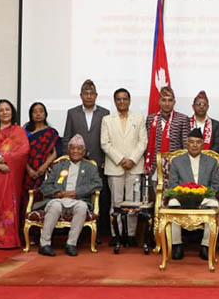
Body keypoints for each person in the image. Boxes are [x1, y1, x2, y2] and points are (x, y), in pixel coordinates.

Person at [36, 135, 102, 257]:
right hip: (58, 199)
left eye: (79, 149)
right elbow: (45, 186)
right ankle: (44, 244)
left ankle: (71, 244)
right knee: (55, 206)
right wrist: (58, 193)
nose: (75, 151)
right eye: (73, 148)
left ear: (84, 152)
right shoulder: (58, 167)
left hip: (78, 199)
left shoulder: (90, 167)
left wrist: (77, 192)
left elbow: (97, 184)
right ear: (68, 150)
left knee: (82, 208)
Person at [166, 129, 219, 260]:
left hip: (204, 198)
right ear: (186, 144)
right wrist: (184, 194)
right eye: (191, 142)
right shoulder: (177, 161)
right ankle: (177, 245)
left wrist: (204, 193)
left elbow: (216, 185)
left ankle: (206, 246)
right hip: (183, 198)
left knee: (214, 204)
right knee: (172, 203)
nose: (194, 145)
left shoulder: (211, 161)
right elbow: (173, 185)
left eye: (198, 142)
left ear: (203, 144)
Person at [0, 100, 30, 249]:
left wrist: (7, 159)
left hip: (11, 173)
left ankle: (8, 240)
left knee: (8, 205)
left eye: (7, 109)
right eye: (1, 110)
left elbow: (24, 150)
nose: (4, 112)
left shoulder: (18, 131)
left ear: (12, 112)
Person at [100, 88, 148, 241]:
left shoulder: (139, 118)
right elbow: (105, 143)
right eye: (119, 99)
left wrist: (132, 159)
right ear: (115, 102)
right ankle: (117, 234)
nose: (122, 101)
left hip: (134, 166)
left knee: (133, 202)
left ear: (129, 100)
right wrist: (121, 160)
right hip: (115, 166)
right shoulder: (107, 119)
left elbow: (143, 142)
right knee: (116, 202)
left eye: (125, 98)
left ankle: (131, 234)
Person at [63, 79, 111, 232]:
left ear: (96, 95)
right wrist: (68, 160)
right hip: (77, 161)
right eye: (86, 93)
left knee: (101, 196)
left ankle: (99, 230)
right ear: (81, 95)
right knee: (80, 195)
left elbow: (108, 139)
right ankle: (81, 231)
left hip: (99, 161)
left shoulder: (105, 113)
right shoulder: (72, 113)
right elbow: (67, 138)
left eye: (91, 93)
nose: (89, 96)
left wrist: (106, 160)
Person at [144, 85, 191, 177]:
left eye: (170, 100)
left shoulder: (182, 119)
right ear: (159, 101)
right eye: (164, 100)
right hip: (154, 166)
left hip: (175, 166)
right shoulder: (151, 119)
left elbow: (185, 146)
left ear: (174, 102)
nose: (167, 103)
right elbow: (147, 143)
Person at [23, 101, 62, 199]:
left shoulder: (51, 132)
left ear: (45, 114)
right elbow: (21, 153)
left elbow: (55, 153)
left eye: (41, 111)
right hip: (28, 171)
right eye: (35, 112)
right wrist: (29, 170)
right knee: (27, 198)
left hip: (45, 171)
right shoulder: (25, 133)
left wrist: (44, 166)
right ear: (31, 115)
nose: (38, 114)